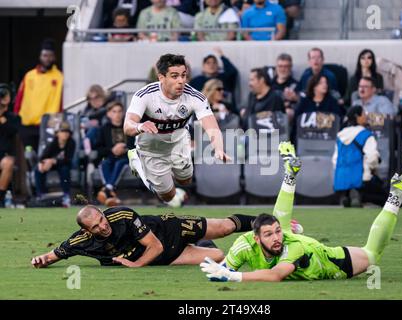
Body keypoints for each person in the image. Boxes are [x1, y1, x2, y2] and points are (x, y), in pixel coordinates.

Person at [200, 141, 402, 282]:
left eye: (276, 233)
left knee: (373, 254)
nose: (276, 237)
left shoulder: (293, 247)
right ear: (255, 237)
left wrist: (235, 277)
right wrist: (220, 271)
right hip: (304, 250)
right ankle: (290, 175)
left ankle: (396, 196)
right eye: (269, 234)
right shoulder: (244, 245)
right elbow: (218, 274)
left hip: (330, 260)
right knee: (281, 224)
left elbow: (275, 276)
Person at [124, 54, 230, 208]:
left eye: (183, 75)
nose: (181, 81)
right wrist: (139, 126)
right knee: (168, 196)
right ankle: (136, 160)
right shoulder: (145, 95)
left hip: (178, 142)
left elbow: (212, 127)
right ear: (161, 77)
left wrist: (219, 149)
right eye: (174, 76)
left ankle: (168, 168)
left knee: (185, 180)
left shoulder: (195, 97)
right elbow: (127, 125)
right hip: (151, 147)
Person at [30, 206, 259, 268]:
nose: (103, 227)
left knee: (225, 227)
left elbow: (155, 246)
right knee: (218, 256)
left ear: (102, 213)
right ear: (87, 231)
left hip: (169, 231)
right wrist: (42, 260)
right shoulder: (81, 242)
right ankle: (201, 245)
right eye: (96, 227)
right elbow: (54, 255)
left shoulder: (122, 215)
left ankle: (265, 222)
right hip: (164, 257)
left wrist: (135, 264)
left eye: (102, 220)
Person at [13, 39, 63, 152]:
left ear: (54, 57)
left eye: (50, 55)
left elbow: (62, 102)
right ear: (40, 56)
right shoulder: (29, 76)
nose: (47, 58)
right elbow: (19, 98)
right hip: (27, 126)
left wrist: (58, 122)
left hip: (48, 125)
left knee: (45, 157)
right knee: (29, 154)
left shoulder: (60, 77)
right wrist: (16, 117)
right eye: (45, 55)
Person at [332, 106, 385, 208]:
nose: (366, 116)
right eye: (364, 114)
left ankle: (347, 195)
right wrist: (372, 169)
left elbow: (335, 160)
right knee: (386, 198)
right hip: (362, 179)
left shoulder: (339, 135)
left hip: (341, 180)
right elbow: (372, 157)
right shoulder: (366, 135)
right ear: (357, 116)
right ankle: (360, 196)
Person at [95, 101, 135, 207]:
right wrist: (112, 150)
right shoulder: (104, 129)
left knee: (120, 163)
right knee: (105, 163)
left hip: (126, 157)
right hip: (110, 156)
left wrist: (125, 148)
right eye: (114, 111)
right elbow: (98, 148)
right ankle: (111, 193)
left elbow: (136, 146)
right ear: (108, 114)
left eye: (119, 111)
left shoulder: (129, 127)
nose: (117, 114)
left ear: (123, 113)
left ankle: (107, 189)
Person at [33, 121, 76, 208]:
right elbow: (43, 156)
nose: (65, 134)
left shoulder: (71, 142)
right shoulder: (53, 143)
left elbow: (68, 160)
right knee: (38, 170)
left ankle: (66, 195)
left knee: (65, 169)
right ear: (57, 133)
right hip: (52, 165)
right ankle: (41, 194)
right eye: (63, 131)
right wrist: (42, 163)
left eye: (67, 132)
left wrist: (52, 161)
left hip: (64, 164)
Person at [0, 85, 20, 207]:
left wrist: (4, 122)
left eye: (5, 94)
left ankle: (0, 197)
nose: (4, 97)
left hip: (4, 155)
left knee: (8, 162)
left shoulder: (13, 117)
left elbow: (13, 131)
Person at [270, 53, 298, 121]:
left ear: (290, 67)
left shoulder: (296, 85)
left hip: (285, 119)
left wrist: (295, 98)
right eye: (280, 66)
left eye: (286, 66)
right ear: (276, 67)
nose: (283, 69)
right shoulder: (268, 84)